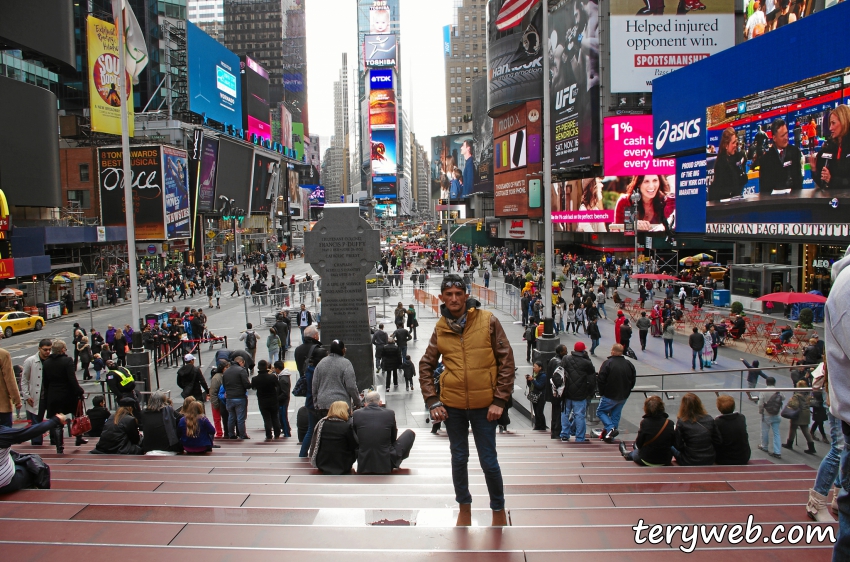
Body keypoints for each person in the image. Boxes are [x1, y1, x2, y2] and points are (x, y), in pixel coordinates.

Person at [419, 274, 515, 527]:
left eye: (458, 294)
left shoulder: (488, 321)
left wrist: (500, 400)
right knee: (458, 457)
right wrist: (433, 401)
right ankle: (464, 506)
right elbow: (426, 365)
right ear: (442, 297)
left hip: (486, 406)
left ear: (466, 295)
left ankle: (498, 509)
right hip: (453, 406)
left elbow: (506, 360)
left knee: (489, 460)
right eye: (448, 294)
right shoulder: (441, 327)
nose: (453, 298)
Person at [352, 391, 416, 474]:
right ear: (380, 403)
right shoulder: (390, 413)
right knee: (409, 433)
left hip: (364, 461)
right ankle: (394, 462)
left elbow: (355, 437)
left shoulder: (356, 414)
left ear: (365, 403)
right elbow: (393, 437)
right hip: (385, 461)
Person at [0, 413, 64, 493]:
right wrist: (55, 420)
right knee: (35, 469)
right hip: (3, 481)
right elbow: (27, 433)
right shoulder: (3, 434)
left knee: (20, 460)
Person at [41, 340, 86, 453]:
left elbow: (45, 382)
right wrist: (79, 390)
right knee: (77, 414)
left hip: (53, 394)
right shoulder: (67, 361)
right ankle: (78, 437)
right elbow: (72, 379)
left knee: (57, 423)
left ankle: (59, 447)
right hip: (67, 394)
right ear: (62, 350)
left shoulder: (46, 363)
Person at [596, 344, 636, 443]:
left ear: (613, 351)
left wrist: (602, 392)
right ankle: (611, 436)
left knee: (600, 412)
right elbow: (633, 379)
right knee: (615, 415)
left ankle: (610, 429)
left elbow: (601, 379)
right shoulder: (628, 364)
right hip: (623, 395)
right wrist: (628, 390)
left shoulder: (608, 363)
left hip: (610, 394)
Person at [619, 395, 675, 466]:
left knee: (635, 453)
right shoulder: (669, 423)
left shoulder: (645, 422)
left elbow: (639, 444)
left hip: (647, 459)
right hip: (665, 460)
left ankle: (625, 452)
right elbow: (673, 442)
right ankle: (632, 450)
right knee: (640, 450)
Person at [308, 400, 358, 474]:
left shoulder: (322, 424)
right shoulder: (346, 426)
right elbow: (353, 445)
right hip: (342, 465)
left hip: (322, 463)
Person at [672, 393, 722, 466]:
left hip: (689, 460)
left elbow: (678, 445)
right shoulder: (709, 419)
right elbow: (718, 441)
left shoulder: (682, 422)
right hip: (709, 458)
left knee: (670, 446)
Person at [560, 342, 596, 443]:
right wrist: (589, 392)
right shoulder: (587, 363)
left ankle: (564, 434)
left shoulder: (566, 359)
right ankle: (580, 437)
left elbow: (561, 372)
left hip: (566, 392)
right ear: (583, 350)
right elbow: (592, 379)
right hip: (580, 394)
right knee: (579, 415)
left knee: (565, 413)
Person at [20, 339, 51, 444]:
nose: (47, 352)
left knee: (53, 422)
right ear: (39, 349)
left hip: (50, 396)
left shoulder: (51, 360)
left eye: (49, 350)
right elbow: (24, 380)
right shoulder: (30, 361)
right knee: (36, 424)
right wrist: (26, 396)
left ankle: (55, 443)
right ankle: (37, 446)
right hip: (36, 398)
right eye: (45, 350)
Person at [760, 118, 803, 193]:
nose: (786, 138)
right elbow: (764, 189)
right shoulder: (765, 160)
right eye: (782, 135)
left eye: (786, 133)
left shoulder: (795, 152)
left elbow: (799, 181)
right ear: (774, 138)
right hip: (775, 202)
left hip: (794, 201)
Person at [813, 104, 850, 191]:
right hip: (832, 200)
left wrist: (832, 180)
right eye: (830, 124)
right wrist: (814, 170)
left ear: (844, 122)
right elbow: (822, 183)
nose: (830, 128)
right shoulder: (829, 147)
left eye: (833, 123)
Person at [299, 346, 327, 458]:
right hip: (316, 403)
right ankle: (318, 454)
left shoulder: (309, 369)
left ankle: (303, 453)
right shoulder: (317, 371)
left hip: (310, 403)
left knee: (311, 429)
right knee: (318, 429)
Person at [709, 127, 749, 201]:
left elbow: (743, 180)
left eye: (736, 142)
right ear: (726, 145)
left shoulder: (737, 157)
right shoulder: (721, 163)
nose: (735, 145)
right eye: (733, 143)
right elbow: (722, 189)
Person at [714, 395, 751, 465]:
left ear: (718, 408)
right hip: (743, 457)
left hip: (724, 459)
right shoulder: (741, 418)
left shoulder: (717, 422)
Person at [783, 379, 817, 455]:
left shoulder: (796, 395)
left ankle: (789, 443)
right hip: (806, 413)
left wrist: (790, 401)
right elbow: (814, 403)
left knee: (793, 428)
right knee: (805, 430)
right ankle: (811, 447)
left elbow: (794, 405)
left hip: (798, 414)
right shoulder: (809, 395)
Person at [251, 360, 282, 440]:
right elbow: (278, 385)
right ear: (266, 367)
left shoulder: (255, 379)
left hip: (262, 401)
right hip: (273, 400)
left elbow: (253, 388)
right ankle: (277, 433)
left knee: (266, 418)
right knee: (275, 417)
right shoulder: (272, 377)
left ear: (258, 367)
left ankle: (268, 434)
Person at [223, 355, 251, 439]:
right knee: (240, 418)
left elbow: (224, 385)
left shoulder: (226, 371)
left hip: (229, 397)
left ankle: (231, 434)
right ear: (240, 362)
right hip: (240, 397)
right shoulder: (241, 371)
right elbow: (246, 384)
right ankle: (242, 434)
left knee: (231, 417)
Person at [758, 376, 784, 459]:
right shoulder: (778, 391)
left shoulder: (763, 392)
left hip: (766, 414)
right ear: (774, 383)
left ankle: (764, 446)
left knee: (765, 431)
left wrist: (761, 410)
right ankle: (777, 451)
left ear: (766, 383)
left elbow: (760, 403)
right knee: (776, 433)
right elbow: (783, 398)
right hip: (776, 414)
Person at [526, 360, 548, 431]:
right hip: (534, 395)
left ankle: (542, 426)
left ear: (540, 368)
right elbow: (531, 386)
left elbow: (540, 386)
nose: (534, 368)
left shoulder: (543, 376)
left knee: (539, 412)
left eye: (535, 367)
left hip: (541, 396)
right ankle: (537, 425)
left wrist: (533, 380)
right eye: (533, 366)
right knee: (536, 411)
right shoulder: (534, 374)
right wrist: (528, 380)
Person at [209, 362, 227, 438]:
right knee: (217, 418)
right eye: (226, 367)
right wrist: (215, 403)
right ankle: (219, 433)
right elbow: (212, 392)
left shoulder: (224, 376)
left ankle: (223, 432)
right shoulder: (216, 378)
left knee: (224, 417)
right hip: (217, 400)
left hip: (222, 400)